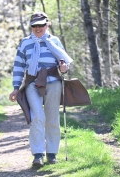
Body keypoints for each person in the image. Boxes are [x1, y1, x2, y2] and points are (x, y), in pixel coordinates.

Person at [9, 12, 73, 167]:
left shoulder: (55, 41)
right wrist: (16, 88)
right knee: (37, 117)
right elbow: (18, 66)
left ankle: (52, 153)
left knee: (52, 117)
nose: (38, 28)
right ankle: (38, 154)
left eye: (41, 25)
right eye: (35, 25)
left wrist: (64, 68)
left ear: (47, 25)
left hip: (53, 82)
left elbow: (63, 63)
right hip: (32, 83)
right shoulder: (25, 43)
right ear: (31, 26)